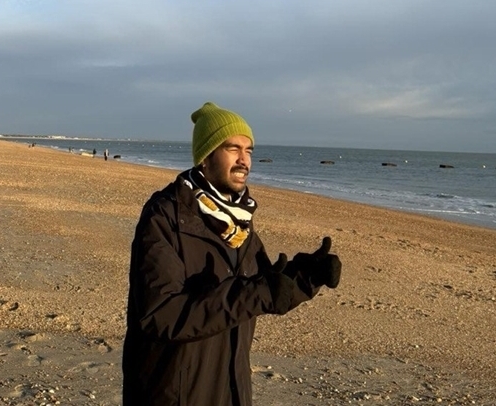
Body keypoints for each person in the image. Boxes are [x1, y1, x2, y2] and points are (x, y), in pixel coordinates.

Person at [122, 102, 341, 406]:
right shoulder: (166, 216)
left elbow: (264, 287)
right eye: (232, 148)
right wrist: (256, 293)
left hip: (231, 388)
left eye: (249, 150)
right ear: (206, 156)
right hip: (175, 392)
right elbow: (161, 315)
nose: (244, 160)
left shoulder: (239, 222)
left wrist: (305, 278)